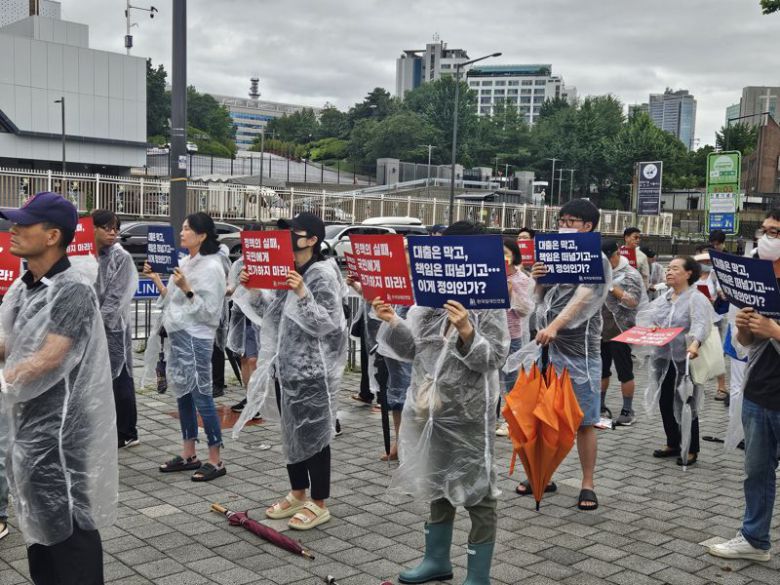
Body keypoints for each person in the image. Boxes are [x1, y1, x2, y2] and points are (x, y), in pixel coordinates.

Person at [373, 220, 509, 585]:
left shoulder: (489, 302)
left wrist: (467, 329)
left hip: (469, 414)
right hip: (428, 410)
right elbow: (411, 351)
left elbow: (493, 358)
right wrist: (391, 321)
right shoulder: (427, 301)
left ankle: (478, 575)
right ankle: (436, 560)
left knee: (479, 493)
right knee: (437, 483)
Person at [0, 192, 117, 585]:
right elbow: (9, 344)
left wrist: (4, 378)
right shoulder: (24, 286)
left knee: (70, 529)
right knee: (39, 525)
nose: (12, 230)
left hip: (61, 434)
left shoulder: (72, 290)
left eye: (23, 224)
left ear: (52, 236)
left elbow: (50, 357)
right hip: (28, 429)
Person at [233, 212, 347, 530]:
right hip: (286, 368)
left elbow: (326, 324)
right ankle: (297, 492)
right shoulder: (286, 269)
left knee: (316, 437)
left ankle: (319, 502)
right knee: (292, 434)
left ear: (312, 239)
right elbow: (271, 315)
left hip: (314, 370)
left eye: (294, 232)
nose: (287, 237)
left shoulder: (322, 274)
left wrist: (302, 293)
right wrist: (253, 289)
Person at [521, 198, 612, 511]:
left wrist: (556, 326)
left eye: (571, 221)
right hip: (548, 351)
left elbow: (585, 297)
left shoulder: (596, 258)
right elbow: (540, 299)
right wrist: (537, 278)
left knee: (585, 421)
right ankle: (544, 475)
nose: (564, 226)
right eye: (562, 220)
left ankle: (588, 483)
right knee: (546, 418)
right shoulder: (554, 253)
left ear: (588, 226)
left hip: (580, 354)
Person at [708, 209, 780, 562]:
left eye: (775, 232)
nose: (766, 239)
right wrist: (745, 327)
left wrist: (775, 330)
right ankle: (754, 538)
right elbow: (748, 345)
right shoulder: (761, 282)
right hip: (761, 393)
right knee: (757, 472)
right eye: (764, 231)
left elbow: (773, 335)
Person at [143, 213, 227, 482]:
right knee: (183, 394)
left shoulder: (212, 267)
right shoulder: (185, 262)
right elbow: (173, 302)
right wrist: (158, 279)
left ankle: (216, 459)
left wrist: (187, 288)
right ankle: (189, 453)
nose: (181, 233)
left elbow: (210, 312)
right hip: (178, 336)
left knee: (202, 395)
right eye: (182, 228)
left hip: (197, 339)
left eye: (187, 229)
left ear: (202, 235)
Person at [637, 256, 711, 467]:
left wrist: (694, 344)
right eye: (668, 268)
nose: (668, 272)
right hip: (663, 358)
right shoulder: (665, 297)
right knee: (665, 401)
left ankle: (691, 448)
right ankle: (673, 442)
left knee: (687, 401)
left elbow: (700, 325)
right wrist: (651, 329)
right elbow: (649, 317)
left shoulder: (696, 298)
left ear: (688, 273)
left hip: (685, 359)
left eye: (675, 269)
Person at [92, 209, 140, 449]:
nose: (112, 233)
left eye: (115, 228)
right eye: (106, 227)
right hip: (92, 328)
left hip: (113, 330)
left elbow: (115, 299)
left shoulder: (120, 257)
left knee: (120, 377)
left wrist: (96, 326)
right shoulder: (89, 255)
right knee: (99, 380)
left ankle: (128, 431)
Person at [599, 239, 645, 426]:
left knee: (624, 372)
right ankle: (599, 406)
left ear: (615, 254)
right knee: (601, 371)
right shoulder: (598, 271)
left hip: (621, 330)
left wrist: (610, 286)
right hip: (600, 330)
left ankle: (628, 409)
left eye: (606, 260)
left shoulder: (630, 274)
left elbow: (632, 301)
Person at [497, 238, 534, 436]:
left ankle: (510, 420)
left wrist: (510, 293)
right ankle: (493, 418)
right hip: (492, 335)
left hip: (512, 335)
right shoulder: (490, 274)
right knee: (492, 379)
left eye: (506, 253)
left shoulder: (522, 279)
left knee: (511, 379)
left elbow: (525, 310)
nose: (502, 257)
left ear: (513, 256)